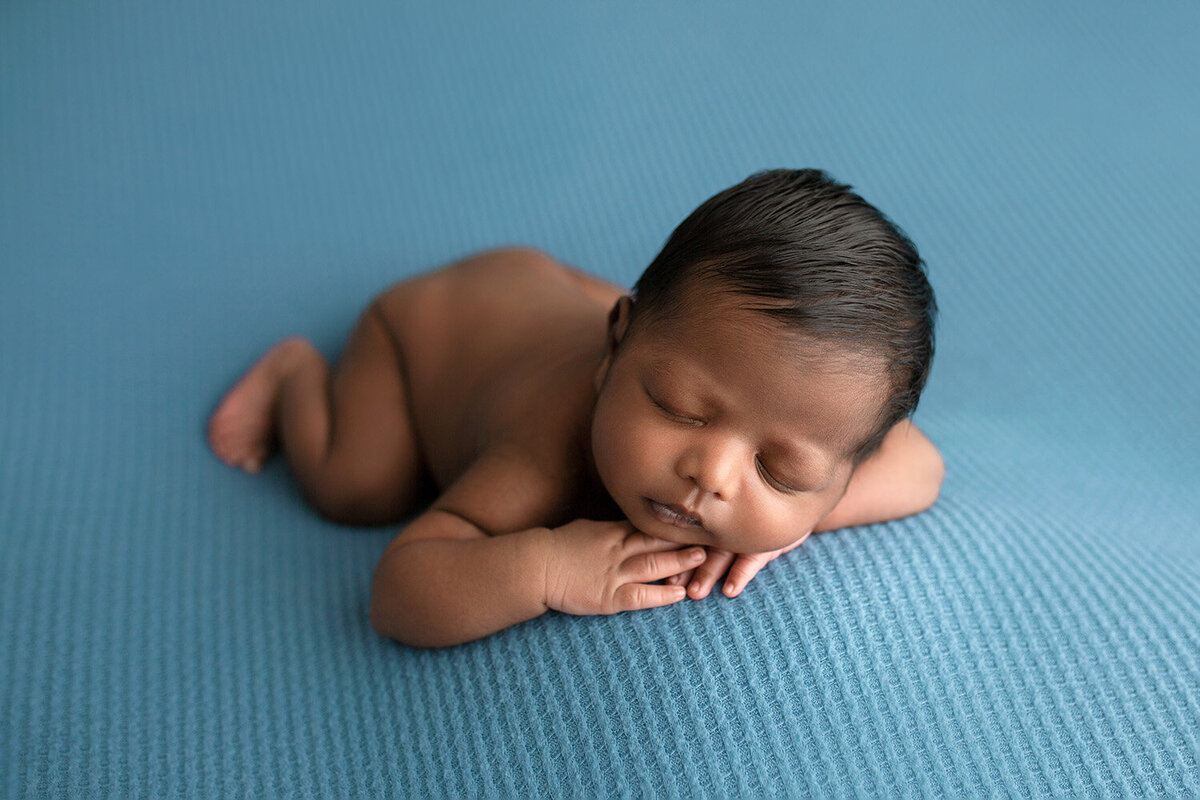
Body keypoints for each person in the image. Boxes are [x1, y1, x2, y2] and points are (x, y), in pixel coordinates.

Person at [207, 169, 944, 648]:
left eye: (779, 468)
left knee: (703, 342)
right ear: (616, 345)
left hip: (544, 290)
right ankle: (294, 372)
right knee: (358, 488)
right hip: (425, 329)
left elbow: (922, 468)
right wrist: (543, 568)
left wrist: (787, 522)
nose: (711, 474)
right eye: (679, 407)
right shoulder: (546, 449)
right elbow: (401, 593)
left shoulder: (781, 409)